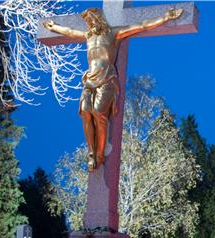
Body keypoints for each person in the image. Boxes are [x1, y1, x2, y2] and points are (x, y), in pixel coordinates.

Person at [44, 7, 183, 171]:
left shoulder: (114, 33)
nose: (91, 24)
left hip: (107, 78)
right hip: (89, 79)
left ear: (99, 19)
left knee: (98, 112)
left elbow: (142, 25)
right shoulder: (88, 36)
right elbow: (69, 31)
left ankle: (100, 153)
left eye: (93, 20)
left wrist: (165, 17)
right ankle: (91, 152)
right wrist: (53, 27)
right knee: (85, 112)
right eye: (88, 22)